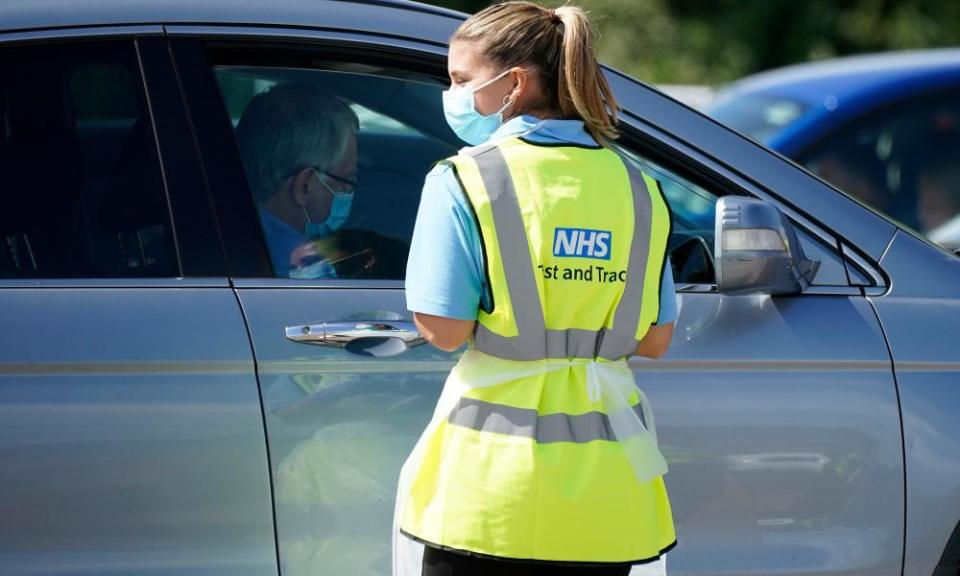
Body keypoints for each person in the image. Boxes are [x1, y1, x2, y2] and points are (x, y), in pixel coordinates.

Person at [394, 3, 678, 575]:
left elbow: (444, 331)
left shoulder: (464, 177)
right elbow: (654, 340)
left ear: (514, 85)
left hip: (489, 499)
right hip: (608, 501)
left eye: (460, 80)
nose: (451, 94)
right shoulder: (639, 188)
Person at [235, 83, 359, 278]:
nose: (347, 191)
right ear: (304, 186)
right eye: (346, 180)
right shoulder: (306, 268)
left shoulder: (224, 230)